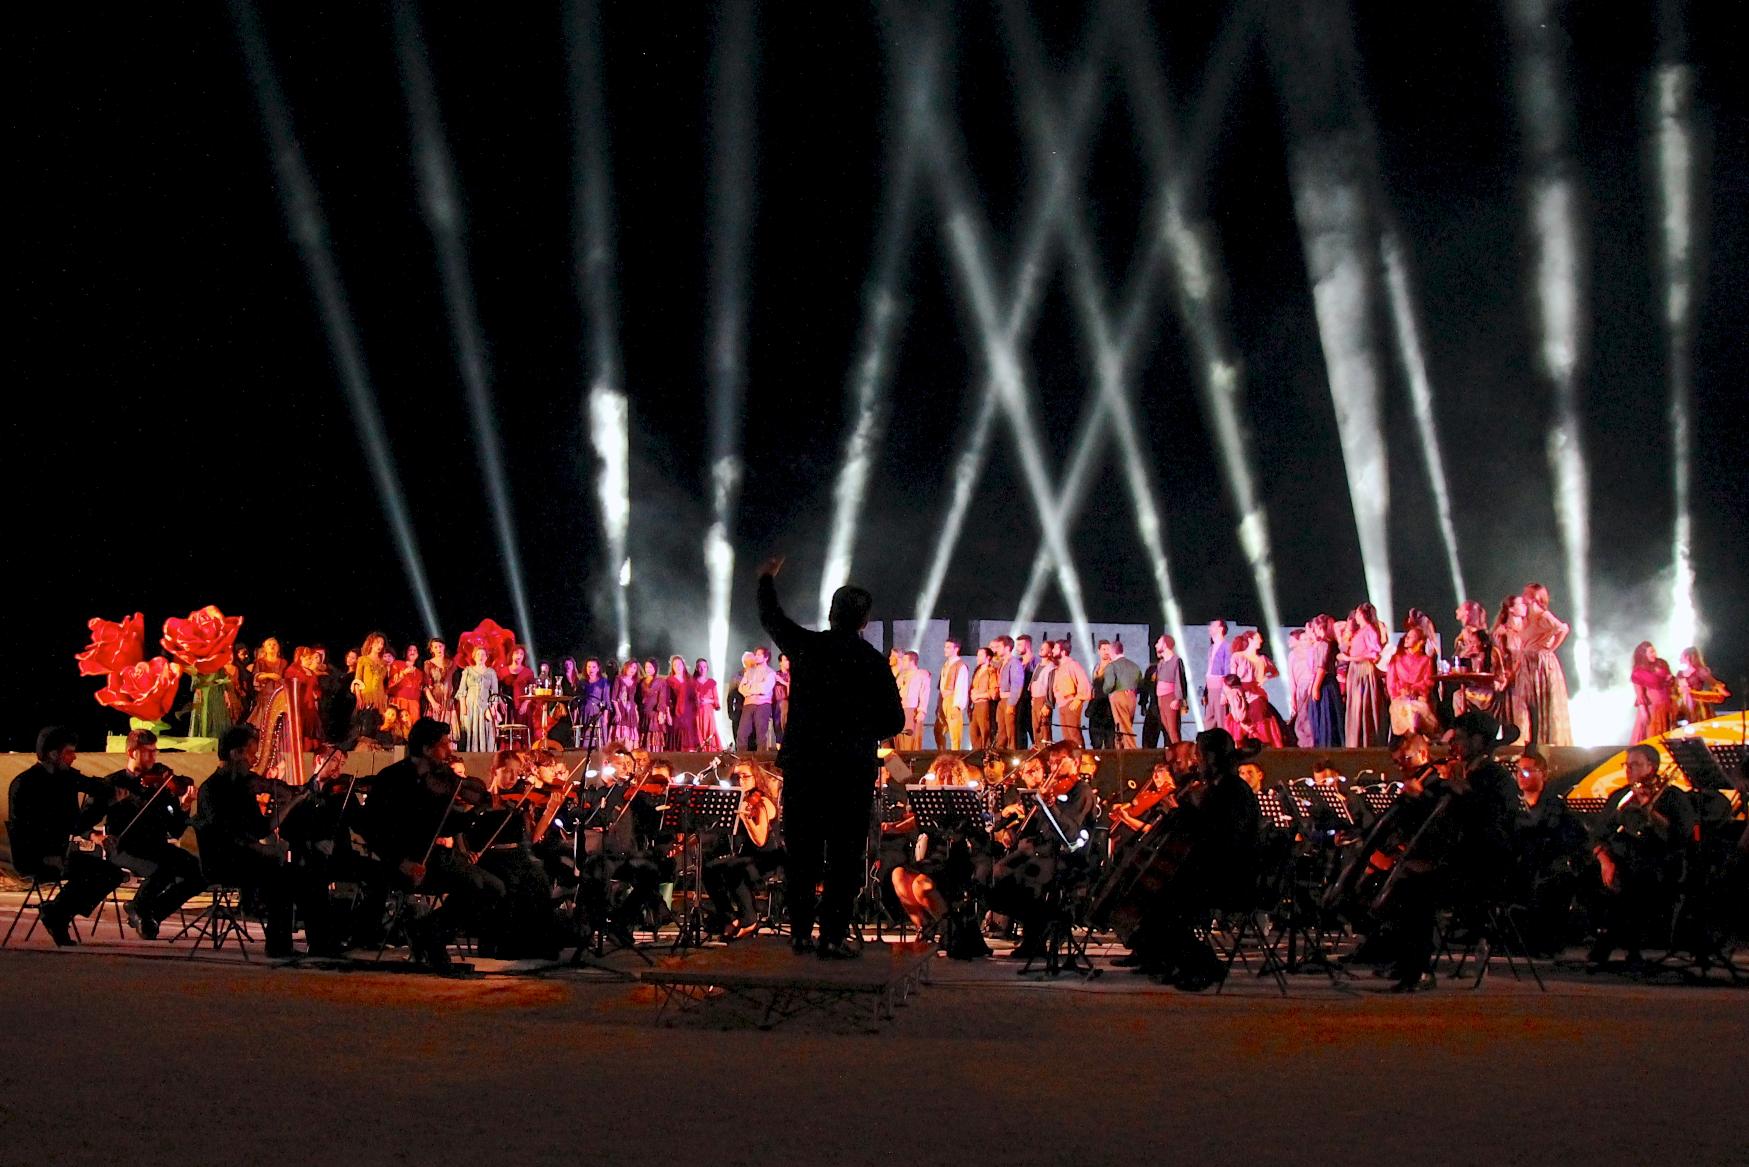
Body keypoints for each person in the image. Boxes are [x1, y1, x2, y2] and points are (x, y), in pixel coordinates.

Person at [756, 556, 906, 958]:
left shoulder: (808, 647)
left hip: (806, 768)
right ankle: (833, 938)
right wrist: (858, 729)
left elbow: (772, 618)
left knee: (801, 853)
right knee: (844, 857)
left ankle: (801, 934)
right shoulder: (873, 662)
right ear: (864, 621)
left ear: (830, 613)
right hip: (850, 772)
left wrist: (766, 579)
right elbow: (895, 719)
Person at [358, 718, 507, 967]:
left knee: (494, 888)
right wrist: (400, 862)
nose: (449, 751)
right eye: (444, 745)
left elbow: (447, 824)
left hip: (436, 857)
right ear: (427, 749)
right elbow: (373, 830)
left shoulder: (442, 778)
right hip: (402, 862)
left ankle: (428, 931)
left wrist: (476, 813)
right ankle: (432, 939)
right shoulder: (390, 780)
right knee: (474, 883)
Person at [194, 724, 332, 959]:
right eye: (250, 753)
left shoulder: (244, 787)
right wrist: (263, 851)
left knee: (306, 874)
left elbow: (260, 828)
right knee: (282, 876)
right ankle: (278, 945)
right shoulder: (211, 790)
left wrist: (291, 803)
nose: (254, 759)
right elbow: (227, 836)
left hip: (246, 856)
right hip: (223, 860)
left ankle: (320, 943)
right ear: (235, 753)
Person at [6, 727, 123, 946]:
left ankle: (57, 912)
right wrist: (46, 856)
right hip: (35, 856)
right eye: (69, 752)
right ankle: (57, 914)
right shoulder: (25, 785)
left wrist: (113, 793)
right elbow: (23, 830)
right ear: (52, 754)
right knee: (96, 873)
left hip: (58, 853)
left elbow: (91, 794)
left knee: (112, 873)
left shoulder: (65, 778)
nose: (74, 757)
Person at [1589, 744, 1697, 970]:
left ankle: (1622, 946)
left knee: (1636, 879)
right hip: (1617, 859)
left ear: (1652, 767)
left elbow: (1679, 836)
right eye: (1626, 765)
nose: (1629, 770)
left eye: (1635, 765)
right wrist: (1605, 861)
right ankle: (1604, 937)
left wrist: (1649, 808)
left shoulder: (1673, 797)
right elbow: (1598, 834)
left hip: (1658, 863)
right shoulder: (1620, 796)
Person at [103, 730, 206, 940]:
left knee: (198, 873)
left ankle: (151, 913)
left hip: (156, 848)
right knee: (164, 869)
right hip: (125, 847)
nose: (154, 757)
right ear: (132, 753)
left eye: (155, 751)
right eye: (148, 752)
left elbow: (175, 830)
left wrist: (185, 805)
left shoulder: (161, 785)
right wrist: (118, 804)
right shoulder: (113, 783)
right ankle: (143, 911)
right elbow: (96, 820)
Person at [1511, 751, 1590, 956]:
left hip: (1548, 867)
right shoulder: (1513, 806)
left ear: (1544, 774)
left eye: (1528, 771)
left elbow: (1572, 841)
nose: (1521, 776)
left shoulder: (1556, 807)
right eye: (1518, 771)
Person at [1518, 583, 1573, 746]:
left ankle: (1545, 740)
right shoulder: (1526, 618)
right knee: (1529, 702)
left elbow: (1563, 629)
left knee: (1541, 701)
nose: (1523, 595)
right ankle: (1531, 738)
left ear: (1535, 597)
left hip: (1540, 663)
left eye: (1526, 593)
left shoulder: (1543, 616)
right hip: (1527, 662)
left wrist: (1550, 648)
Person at [1342, 602, 1389, 748]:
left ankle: (1367, 740)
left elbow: (1374, 653)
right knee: (1356, 707)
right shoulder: (1360, 631)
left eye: (1357, 612)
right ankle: (1356, 740)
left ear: (1362, 614)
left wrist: (1350, 659)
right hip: (1355, 671)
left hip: (1363, 671)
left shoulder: (1369, 630)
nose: (1355, 615)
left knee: (1363, 705)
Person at [1387, 626, 1439, 736]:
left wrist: (1415, 690)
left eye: (1411, 637)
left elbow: (1429, 682)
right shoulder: (1396, 659)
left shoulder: (1426, 660)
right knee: (1406, 709)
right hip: (1400, 696)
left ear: (1420, 642)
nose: (1406, 639)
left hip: (1419, 696)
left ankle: (1418, 733)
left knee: (1420, 708)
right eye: (1407, 636)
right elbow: (1391, 683)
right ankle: (1410, 734)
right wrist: (1401, 690)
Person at [1142, 634, 1190, 747]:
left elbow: (1180, 679)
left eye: (1158, 642)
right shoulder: (1161, 663)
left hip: (1170, 697)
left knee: (1172, 730)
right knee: (1166, 727)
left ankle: (1178, 753)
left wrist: (1178, 698)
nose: (1156, 645)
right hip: (1161, 698)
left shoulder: (1176, 660)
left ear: (1165, 644)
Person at [1305, 615, 1345, 748]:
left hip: (1325, 683)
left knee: (1326, 717)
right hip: (1324, 682)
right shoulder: (1324, 643)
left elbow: (1322, 667)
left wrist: (1315, 687)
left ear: (1318, 627)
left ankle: (1327, 746)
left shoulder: (1324, 643)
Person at [455, 645, 501, 752]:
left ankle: (486, 755)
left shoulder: (491, 672)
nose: (481, 656)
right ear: (474, 656)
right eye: (478, 654)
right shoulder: (468, 671)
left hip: (485, 705)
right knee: (469, 729)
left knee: (485, 728)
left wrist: (494, 709)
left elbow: (495, 693)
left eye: (483, 654)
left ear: (487, 657)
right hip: (470, 704)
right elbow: (461, 690)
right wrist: (463, 706)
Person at [1629, 641, 1676, 742]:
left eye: (1654, 651)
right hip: (1652, 709)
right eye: (1651, 652)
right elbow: (1639, 693)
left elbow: (1671, 682)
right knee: (1652, 735)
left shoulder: (1661, 663)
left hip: (1665, 706)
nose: (1654, 654)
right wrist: (1643, 710)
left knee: (1666, 734)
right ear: (1643, 654)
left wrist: (1670, 679)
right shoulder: (1638, 671)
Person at [1101, 639, 1143, 749]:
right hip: (1132, 697)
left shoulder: (1112, 666)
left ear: (1113, 651)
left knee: (1123, 727)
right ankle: (1121, 749)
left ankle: (1131, 751)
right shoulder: (1134, 666)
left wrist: (1105, 690)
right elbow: (1141, 684)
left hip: (1118, 696)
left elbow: (1109, 685)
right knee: (1127, 725)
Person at [1052, 640, 1092, 749]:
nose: (1052, 651)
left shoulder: (1073, 665)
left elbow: (1084, 682)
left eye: (1055, 648)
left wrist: (1078, 699)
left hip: (1071, 702)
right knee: (1066, 736)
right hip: (1062, 704)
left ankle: (1080, 757)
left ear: (1063, 652)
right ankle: (1071, 759)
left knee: (1073, 732)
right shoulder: (1059, 667)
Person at [737, 646, 778, 750]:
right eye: (756, 654)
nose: (756, 657)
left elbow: (764, 689)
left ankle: (761, 759)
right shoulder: (749, 671)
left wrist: (749, 689)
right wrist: (755, 689)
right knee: (742, 732)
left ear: (766, 658)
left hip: (763, 705)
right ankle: (741, 759)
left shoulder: (770, 672)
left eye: (759, 655)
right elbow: (741, 688)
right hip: (748, 704)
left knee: (761, 735)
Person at [1674, 646, 1729, 723]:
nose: (1680, 658)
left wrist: (1721, 690)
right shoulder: (1680, 673)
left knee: (1701, 723)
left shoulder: (1699, 671)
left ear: (1687, 657)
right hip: (1685, 704)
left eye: (1682, 656)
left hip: (1699, 704)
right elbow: (1676, 688)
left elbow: (1713, 682)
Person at [938, 639, 970, 751]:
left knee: (955, 732)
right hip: (945, 700)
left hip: (953, 700)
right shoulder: (946, 664)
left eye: (948, 647)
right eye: (945, 647)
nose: (945, 649)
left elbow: (961, 686)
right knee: (943, 729)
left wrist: (957, 705)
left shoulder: (960, 665)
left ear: (956, 649)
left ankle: (955, 754)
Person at [994, 636, 1024, 750]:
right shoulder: (1002, 663)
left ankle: (1013, 752)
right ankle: (1001, 752)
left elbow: (1017, 684)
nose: (996, 649)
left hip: (1009, 699)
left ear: (1007, 648)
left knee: (1010, 729)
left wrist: (1011, 703)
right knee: (1001, 729)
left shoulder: (1014, 663)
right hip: (1002, 699)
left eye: (999, 647)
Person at [421, 639, 458, 732]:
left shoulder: (451, 664)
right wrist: (433, 702)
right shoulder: (428, 664)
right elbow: (425, 686)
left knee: (447, 730)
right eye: (435, 647)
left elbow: (455, 683)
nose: (438, 649)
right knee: (434, 730)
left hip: (448, 701)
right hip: (435, 701)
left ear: (444, 647)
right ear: (431, 650)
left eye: (440, 646)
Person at [897, 651, 931, 751]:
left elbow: (924, 693)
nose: (902, 662)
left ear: (912, 661)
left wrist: (922, 710)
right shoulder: (901, 676)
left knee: (910, 739)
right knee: (900, 739)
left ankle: (911, 763)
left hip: (912, 710)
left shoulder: (921, 674)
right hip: (901, 709)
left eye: (904, 660)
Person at [1202, 620, 1232, 731]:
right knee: (1209, 720)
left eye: (1213, 626)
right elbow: (1209, 670)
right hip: (1211, 688)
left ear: (1221, 629)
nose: (1210, 628)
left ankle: (1224, 745)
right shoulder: (1211, 648)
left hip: (1220, 687)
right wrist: (1205, 692)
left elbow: (1228, 671)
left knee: (1221, 720)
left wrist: (1225, 692)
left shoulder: (1227, 647)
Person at [665, 655, 698, 751]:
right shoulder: (669, 680)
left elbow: (694, 697)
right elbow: (666, 699)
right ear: (672, 667)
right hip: (676, 713)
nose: (678, 667)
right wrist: (667, 714)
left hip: (689, 713)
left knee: (690, 738)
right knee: (677, 739)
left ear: (683, 665)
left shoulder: (690, 680)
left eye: (679, 664)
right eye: (675, 665)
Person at [968, 646, 999, 750]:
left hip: (984, 705)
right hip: (975, 706)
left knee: (985, 731)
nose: (977, 657)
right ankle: (975, 753)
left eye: (981, 655)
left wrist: (978, 695)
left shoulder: (991, 671)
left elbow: (993, 693)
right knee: (973, 732)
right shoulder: (977, 671)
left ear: (988, 657)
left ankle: (986, 753)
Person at [1029, 639, 1057, 745]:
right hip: (1035, 699)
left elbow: (1050, 687)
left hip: (1043, 699)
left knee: (1044, 728)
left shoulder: (1051, 667)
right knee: (1036, 727)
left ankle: (1046, 752)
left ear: (1050, 652)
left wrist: (1048, 704)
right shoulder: (1038, 666)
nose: (1041, 649)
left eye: (1044, 648)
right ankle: (1038, 749)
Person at [609, 659, 641, 748]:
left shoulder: (635, 682)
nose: (632, 669)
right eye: (631, 667)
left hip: (631, 712)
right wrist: (618, 712)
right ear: (626, 667)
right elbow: (614, 698)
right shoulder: (619, 679)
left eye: (635, 668)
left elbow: (635, 699)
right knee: (620, 737)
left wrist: (636, 711)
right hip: (621, 710)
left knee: (630, 738)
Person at [692, 658, 722, 751]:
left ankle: (709, 750)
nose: (702, 669)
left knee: (709, 730)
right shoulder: (692, 682)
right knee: (697, 729)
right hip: (696, 712)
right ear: (697, 668)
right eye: (700, 667)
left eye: (704, 667)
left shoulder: (711, 683)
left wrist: (708, 701)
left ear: (707, 668)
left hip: (708, 712)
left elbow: (716, 700)